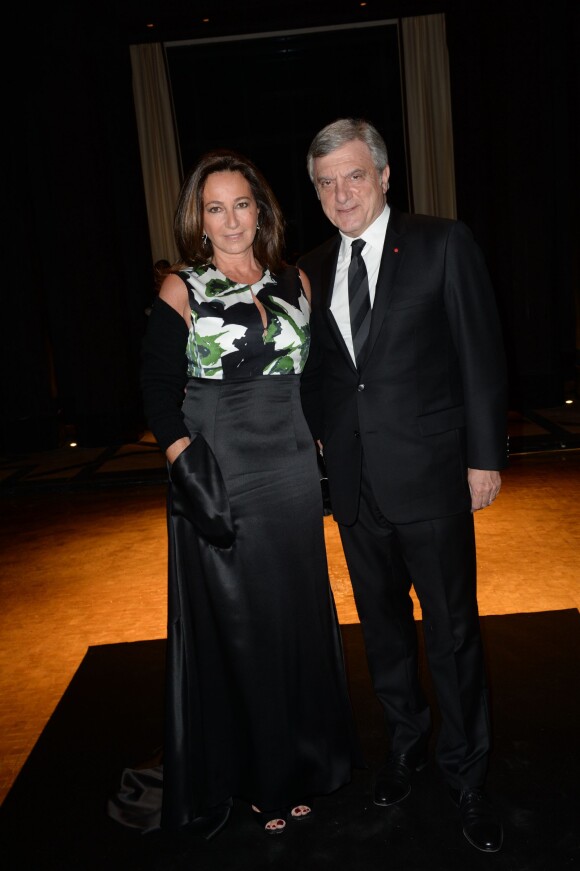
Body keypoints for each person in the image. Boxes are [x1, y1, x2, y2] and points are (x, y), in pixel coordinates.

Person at [108, 148, 361, 839]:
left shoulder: (293, 281)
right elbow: (157, 392)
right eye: (214, 207)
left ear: (261, 210)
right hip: (220, 471)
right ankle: (259, 774)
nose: (230, 220)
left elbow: (313, 377)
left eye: (241, 204)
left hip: (290, 472)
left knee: (296, 618)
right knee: (242, 628)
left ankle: (307, 759)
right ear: (200, 217)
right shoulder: (181, 288)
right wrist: (186, 462)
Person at [298, 118, 508, 854]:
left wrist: (485, 457)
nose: (340, 193)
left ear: (385, 176)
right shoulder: (313, 266)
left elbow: (481, 354)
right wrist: (322, 435)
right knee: (383, 632)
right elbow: (326, 371)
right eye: (326, 182)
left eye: (354, 176)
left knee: (452, 634)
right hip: (355, 483)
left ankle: (468, 772)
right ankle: (407, 747)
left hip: (431, 474)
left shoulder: (443, 242)